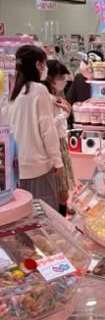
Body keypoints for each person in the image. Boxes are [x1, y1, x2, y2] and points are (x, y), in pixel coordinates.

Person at [0, 45, 61, 208]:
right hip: (38, 165)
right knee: (44, 214)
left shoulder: (14, 93)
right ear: (37, 65)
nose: (45, 68)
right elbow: (47, 129)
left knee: (24, 217)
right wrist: (57, 161)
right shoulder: (39, 90)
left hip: (17, 168)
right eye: (43, 63)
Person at [45, 60, 74, 215]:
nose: (63, 80)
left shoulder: (55, 97)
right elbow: (48, 126)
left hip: (61, 142)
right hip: (55, 145)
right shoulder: (47, 99)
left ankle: (61, 215)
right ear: (50, 78)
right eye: (60, 76)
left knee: (64, 189)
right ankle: (60, 219)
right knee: (61, 190)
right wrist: (64, 113)